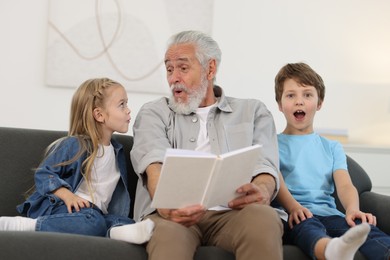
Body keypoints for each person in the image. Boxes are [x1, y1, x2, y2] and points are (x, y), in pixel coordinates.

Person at [130, 30, 283, 260]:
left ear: (210, 69)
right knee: (169, 236)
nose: (173, 79)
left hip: (234, 213)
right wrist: (165, 203)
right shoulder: (154, 113)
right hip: (172, 215)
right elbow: (153, 165)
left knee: (263, 218)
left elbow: (265, 165)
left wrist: (262, 189)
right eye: (169, 69)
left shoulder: (253, 111)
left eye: (183, 68)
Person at [0, 78, 154, 244]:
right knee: (92, 222)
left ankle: (112, 230)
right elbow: (44, 174)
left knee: (125, 222)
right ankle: (25, 226)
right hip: (65, 209)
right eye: (122, 104)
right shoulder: (76, 144)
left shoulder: (118, 151)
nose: (128, 110)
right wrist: (68, 196)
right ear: (99, 115)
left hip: (96, 214)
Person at [274, 62, 390, 260]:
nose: (299, 101)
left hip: (330, 214)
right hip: (295, 215)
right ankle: (330, 250)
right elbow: (276, 180)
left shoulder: (332, 147)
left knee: (368, 231)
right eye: (291, 95)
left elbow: (345, 185)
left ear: (319, 103)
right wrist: (293, 207)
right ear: (279, 104)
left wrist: (353, 209)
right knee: (308, 227)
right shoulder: (273, 143)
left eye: (307, 95)